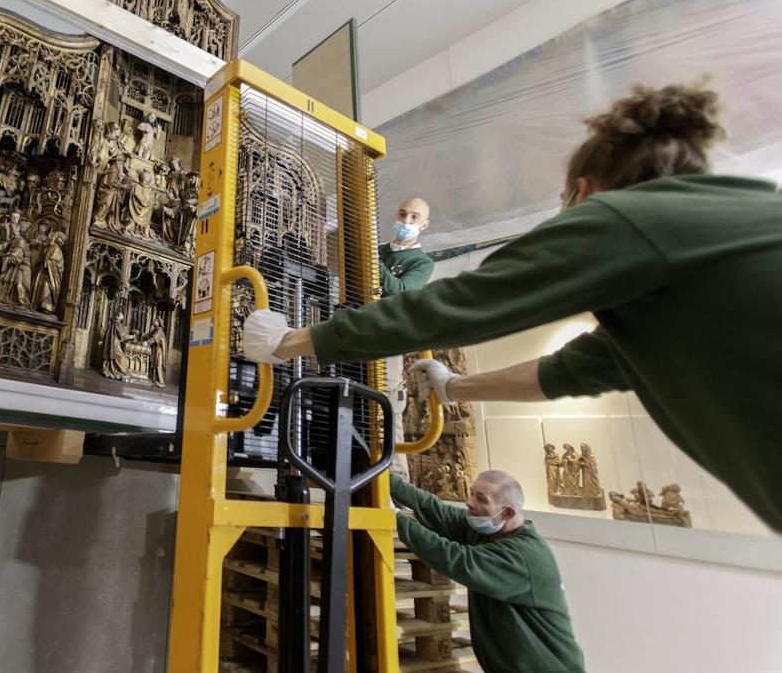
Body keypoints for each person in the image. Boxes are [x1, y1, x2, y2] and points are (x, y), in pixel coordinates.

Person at [241, 82, 782, 531]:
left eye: (564, 206)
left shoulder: (629, 217)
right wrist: (457, 387)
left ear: (583, 192)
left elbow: (453, 305)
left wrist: (289, 343)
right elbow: (566, 371)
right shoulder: (711, 234)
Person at [392, 470, 585, 673]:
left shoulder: (522, 555)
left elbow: (456, 559)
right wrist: (387, 480)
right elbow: (435, 510)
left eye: (480, 499)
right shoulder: (488, 531)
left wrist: (397, 519)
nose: (470, 503)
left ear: (507, 512)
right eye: (471, 493)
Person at [379, 196, 436, 480]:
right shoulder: (379, 251)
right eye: (403, 214)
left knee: (388, 407)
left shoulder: (422, 262)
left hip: (388, 341)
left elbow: (398, 291)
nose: (406, 221)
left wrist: (371, 260)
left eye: (414, 218)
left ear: (424, 225)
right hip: (356, 336)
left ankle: (397, 489)